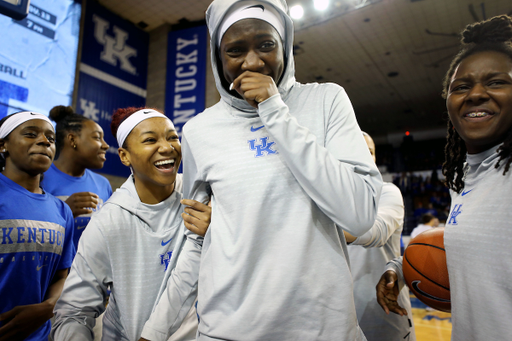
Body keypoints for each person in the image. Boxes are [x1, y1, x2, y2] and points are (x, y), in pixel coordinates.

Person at [140, 1, 382, 340]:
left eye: (266, 45)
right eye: (235, 50)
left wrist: (274, 111)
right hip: (227, 329)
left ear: (285, 44)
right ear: (217, 57)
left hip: (321, 328)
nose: (252, 62)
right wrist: (155, 329)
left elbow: (359, 214)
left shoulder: (326, 101)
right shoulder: (199, 130)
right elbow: (197, 242)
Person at [376, 15, 512, 341]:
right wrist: (400, 269)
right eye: (461, 87)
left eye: (496, 82)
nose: (476, 94)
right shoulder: (462, 179)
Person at [51, 107, 211, 341]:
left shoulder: (200, 196)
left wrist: (217, 233)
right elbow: (74, 311)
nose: (167, 147)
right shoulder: (108, 222)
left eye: (173, 137)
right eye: (150, 140)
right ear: (125, 156)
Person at [0, 111, 74, 340]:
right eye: (31, 134)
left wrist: (49, 306)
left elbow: (62, 275)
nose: (44, 141)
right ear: (3, 146)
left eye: (50, 139)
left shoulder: (61, 211)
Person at [345, 132, 416, 341]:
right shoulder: (326, 200)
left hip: (385, 314)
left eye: (370, 153)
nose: (365, 158)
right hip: (343, 315)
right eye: (357, 151)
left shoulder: (388, 192)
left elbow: (376, 231)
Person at [41, 105, 112, 249]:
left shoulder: (103, 184)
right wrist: (65, 213)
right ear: (72, 140)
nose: (106, 145)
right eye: (97, 137)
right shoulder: (40, 178)